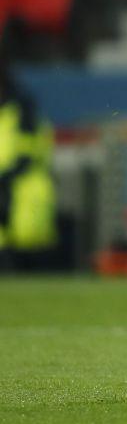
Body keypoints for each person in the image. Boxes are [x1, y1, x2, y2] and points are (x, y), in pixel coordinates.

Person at [0, 56, 56, 267]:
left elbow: (28, 153)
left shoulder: (23, 111)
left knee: (27, 255)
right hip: (9, 187)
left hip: (24, 191)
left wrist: (5, 178)